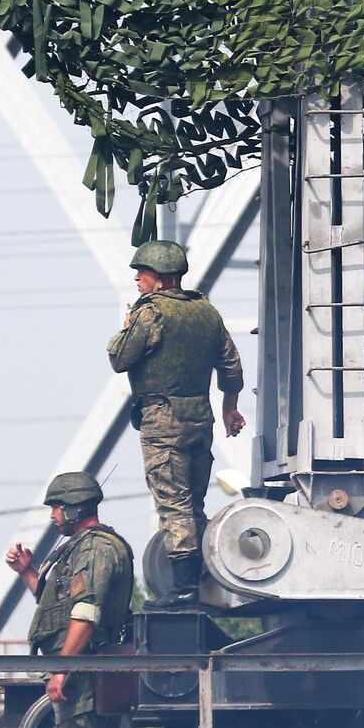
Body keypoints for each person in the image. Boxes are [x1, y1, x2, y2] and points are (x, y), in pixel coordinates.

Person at [107, 240, 246, 607]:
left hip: (162, 422)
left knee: (173, 504)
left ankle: (183, 589)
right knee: (193, 503)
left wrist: (125, 328)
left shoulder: (150, 313)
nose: (138, 277)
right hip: (200, 421)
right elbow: (231, 366)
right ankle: (196, 580)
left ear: (161, 278)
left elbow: (120, 358)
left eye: (144, 272)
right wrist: (231, 408)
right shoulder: (206, 312)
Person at [4, 471, 134, 728]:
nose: (53, 517)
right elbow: (59, 609)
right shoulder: (78, 549)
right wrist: (29, 573)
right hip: (82, 664)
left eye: (56, 508)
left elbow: (86, 613)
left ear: (75, 507)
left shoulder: (95, 550)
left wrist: (63, 668)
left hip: (85, 669)